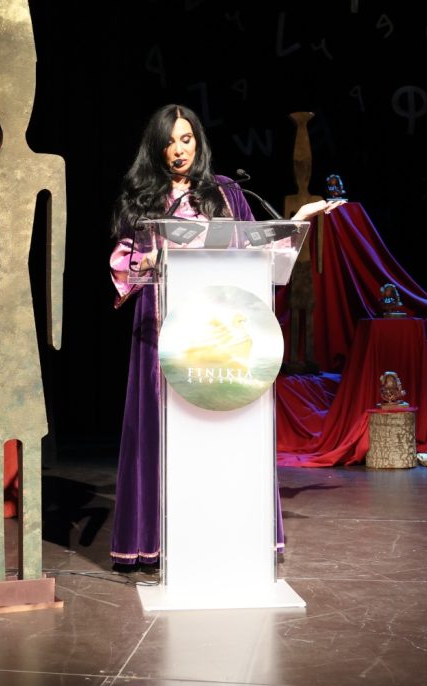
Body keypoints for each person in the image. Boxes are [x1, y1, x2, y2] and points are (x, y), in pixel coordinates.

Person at [107, 103, 338, 570]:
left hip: (223, 330)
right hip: (164, 329)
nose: (179, 150)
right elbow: (123, 262)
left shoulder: (227, 192)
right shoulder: (143, 197)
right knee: (168, 432)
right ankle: (161, 540)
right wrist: (149, 259)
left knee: (222, 429)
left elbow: (256, 247)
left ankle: (229, 533)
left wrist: (299, 220)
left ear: (198, 141)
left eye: (186, 139)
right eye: (169, 142)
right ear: (156, 148)